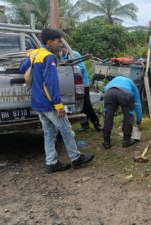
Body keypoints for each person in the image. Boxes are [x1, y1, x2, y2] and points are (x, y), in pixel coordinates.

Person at [20, 28, 94, 173]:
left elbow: (22, 68)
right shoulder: (49, 57)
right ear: (49, 42)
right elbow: (51, 83)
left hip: (38, 102)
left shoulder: (36, 54)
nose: (61, 45)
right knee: (66, 130)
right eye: (59, 41)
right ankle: (76, 158)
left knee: (49, 133)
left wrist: (28, 55)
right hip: (49, 103)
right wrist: (58, 105)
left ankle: (51, 163)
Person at [60, 46, 102, 132]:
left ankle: (96, 124)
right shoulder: (61, 56)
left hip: (82, 84)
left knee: (87, 105)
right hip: (71, 84)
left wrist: (69, 66)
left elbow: (82, 68)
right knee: (78, 105)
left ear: (63, 47)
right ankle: (85, 124)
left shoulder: (73, 54)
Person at [102, 76, 142, 149]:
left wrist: (105, 111)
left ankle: (106, 142)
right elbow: (137, 103)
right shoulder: (132, 84)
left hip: (109, 92)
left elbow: (105, 94)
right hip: (125, 94)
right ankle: (127, 141)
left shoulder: (112, 81)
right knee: (128, 115)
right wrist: (139, 120)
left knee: (108, 116)